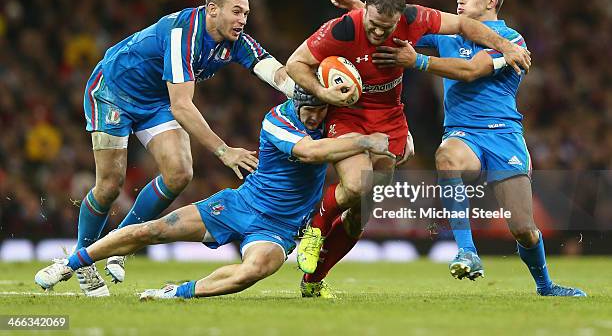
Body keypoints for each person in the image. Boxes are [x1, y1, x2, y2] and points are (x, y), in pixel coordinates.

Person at [333, 0, 585, 297]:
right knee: (446, 156)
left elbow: (471, 72)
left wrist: (418, 62)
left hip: (503, 136)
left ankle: (545, 286)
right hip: (463, 134)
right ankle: (467, 251)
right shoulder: (448, 36)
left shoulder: (511, 41)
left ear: (491, 1)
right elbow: (400, 27)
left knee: (524, 230)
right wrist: (355, 3)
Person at [286, 0, 532, 297]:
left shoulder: (414, 19)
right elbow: (295, 62)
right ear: (364, 15)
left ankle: (313, 280)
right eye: (372, 25)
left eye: (385, 28)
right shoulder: (344, 28)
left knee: (363, 209)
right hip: (349, 114)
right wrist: (322, 92)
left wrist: (507, 45)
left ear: (399, 18)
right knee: (359, 185)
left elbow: (464, 26)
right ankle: (315, 230)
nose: (378, 34)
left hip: (388, 117)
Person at [35, 86, 393, 300]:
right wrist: (364, 140)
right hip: (240, 203)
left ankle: (177, 292)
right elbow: (310, 153)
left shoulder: (333, 126)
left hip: (279, 229)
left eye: (321, 110)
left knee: (253, 271)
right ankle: (70, 264)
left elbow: (358, 161)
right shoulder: (277, 119)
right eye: (309, 109)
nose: (314, 117)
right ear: (296, 102)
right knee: (153, 230)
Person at [68, 0, 296, 296]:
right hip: (112, 91)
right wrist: (223, 150)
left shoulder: (234, 41)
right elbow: (182, 106)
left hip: (155, 100)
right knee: (109, 186)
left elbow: (275, 72)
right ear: (212, 10)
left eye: (246, 13)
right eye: (236, 11)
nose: (243, 19)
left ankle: (120, 243)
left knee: (179, 173)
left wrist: (309, 91)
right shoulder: (182, 34)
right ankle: (81, 260)